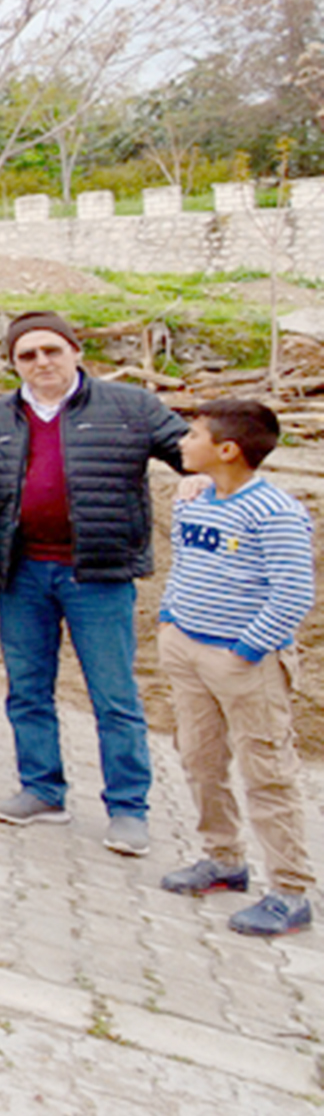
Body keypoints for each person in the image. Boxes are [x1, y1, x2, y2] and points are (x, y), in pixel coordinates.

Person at [0, 310, 187, 854]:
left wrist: (200, 474)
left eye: (51, 351)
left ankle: (129, 809)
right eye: (27, 355)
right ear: (13, 362)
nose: (41, 362)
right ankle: (42, 791)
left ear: (75, 351)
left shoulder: (131, 407)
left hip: (98, 575)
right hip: (22, 576)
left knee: (114, 697)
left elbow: (192, 448)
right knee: (28, 691)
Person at [154, 398, 315, 938]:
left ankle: (290, 892)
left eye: (193, 434)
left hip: (244, 662)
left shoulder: (276, 512)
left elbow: (293, 593)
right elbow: (187, 565)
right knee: (200, 759)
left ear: (227, 450)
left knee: (266, 772)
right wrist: (171, 622)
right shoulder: (195, 499)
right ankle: (223, 861)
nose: (181, 442)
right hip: (187, 648)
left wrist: (247, 650)